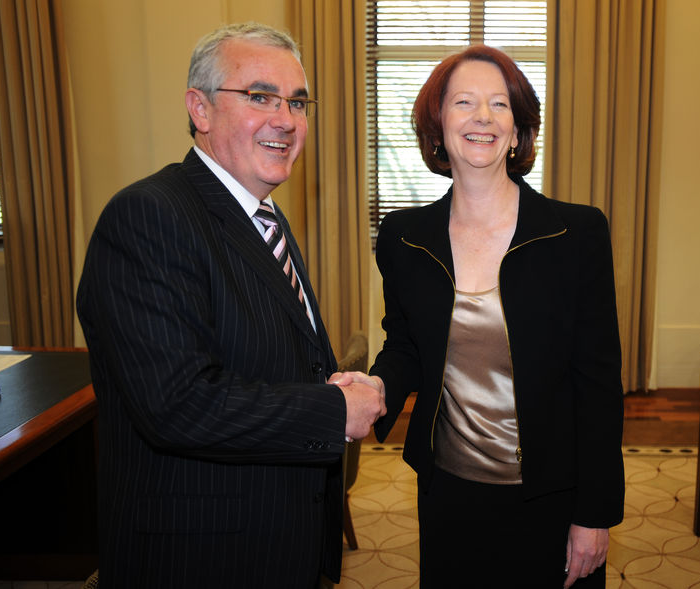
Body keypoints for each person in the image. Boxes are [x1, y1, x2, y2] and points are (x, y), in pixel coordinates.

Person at [76, 22, 384, 589]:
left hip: (272, 536)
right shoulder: (149, 216)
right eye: (260, 96)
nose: (285, 119)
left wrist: (328, 384)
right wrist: (332, 410)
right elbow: (177, 404)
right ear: (200, 108)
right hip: (199, 556)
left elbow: (262, 357)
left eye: (297, 102)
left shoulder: (262, 214)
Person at [333, 45, 624, 587]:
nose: (482, 117)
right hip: (448, 494)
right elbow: (406, 347)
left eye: (499, 104)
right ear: (438, 128)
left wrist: (595, 513)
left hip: (552, 494)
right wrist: (377, 385)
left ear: (517, 132)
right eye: (463, 102)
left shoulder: (576, 234)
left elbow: (599, 385)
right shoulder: (404, 237)